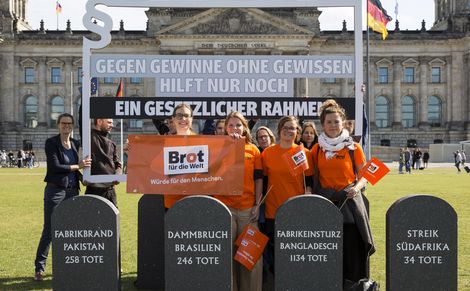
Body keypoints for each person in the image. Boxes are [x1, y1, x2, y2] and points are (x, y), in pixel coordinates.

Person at [311, 99, 374, 287]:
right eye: (328, 122)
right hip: (325, 205)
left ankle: (354, 285)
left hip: (350, 205)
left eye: (336, 121)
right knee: (330, 252)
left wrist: (357, 187)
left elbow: (365, 175)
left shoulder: (353, 147)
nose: (332, 125)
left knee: (353, 252)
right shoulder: (316, 149)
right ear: (322, 125)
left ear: (343, 123)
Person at [34, 113, 91, 281]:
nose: (67, 126)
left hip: (73, 191)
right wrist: (78, 165)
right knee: (50, 230)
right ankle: (39, 268)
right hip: (56, 191)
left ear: (73, 126)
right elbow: (55, 167)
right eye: (64, 123)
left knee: (72, 230)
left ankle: (70, 265)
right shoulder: (51, 143)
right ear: (58, 124)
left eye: (70, 124)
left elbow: (75, 170)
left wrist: (83, 177)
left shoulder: (74, 144)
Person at [214, 111, 263, 291]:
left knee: (251, 256)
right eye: (231, 125)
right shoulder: (217, 148)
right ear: (225, 128)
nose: (235, 128)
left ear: (244, 128)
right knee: (226, 255)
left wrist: (257, 204)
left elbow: (258, 179)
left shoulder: (253, 149)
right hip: (223, 207)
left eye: (238, 125)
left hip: (247, 209)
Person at [261, 115, 313, 274]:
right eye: (286, 128)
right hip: (273, 210)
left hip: (296, 211)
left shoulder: (304, 153)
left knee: (294, 254)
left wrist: (307, 197)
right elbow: (263, 182)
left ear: (297, 132)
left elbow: (309, 183)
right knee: (276, 255)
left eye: (293, 128)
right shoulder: (268, 153)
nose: (289, 131)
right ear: (279, 130)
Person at [164, 103, 196, 209]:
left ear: (191, 119)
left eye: (186, 115)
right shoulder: (164, 143)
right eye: (179, 115)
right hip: (171, 202)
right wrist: (134, 149)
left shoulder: (203, 142)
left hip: (196, 201)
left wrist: (234, 143)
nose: (183, 118)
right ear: (173, 119)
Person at [85, 119, 122, 206]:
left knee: (113, 219)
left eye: (112, 123)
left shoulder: (112, 144)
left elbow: (118, 164)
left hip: (110, 192)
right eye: (109, 122)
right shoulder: (89, 138)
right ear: (99, 122)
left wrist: (118, 175)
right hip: (94, 191)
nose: (112, 125)